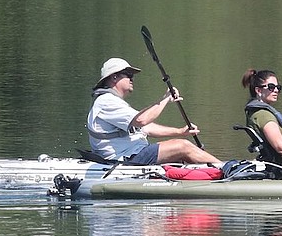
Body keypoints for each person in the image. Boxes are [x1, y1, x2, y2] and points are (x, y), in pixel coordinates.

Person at [87, 58, 221, 165]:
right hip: (125, 157)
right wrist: (165, 98)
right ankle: (225, 169)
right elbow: (141, 120)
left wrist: (180, 131)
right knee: (182, 146)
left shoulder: (113, 102)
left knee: (184, 152)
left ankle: (217, 171)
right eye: (128, 75)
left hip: (134, 153)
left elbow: (146, 128)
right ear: (114, 78)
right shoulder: (106, 101)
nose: (132, 78)